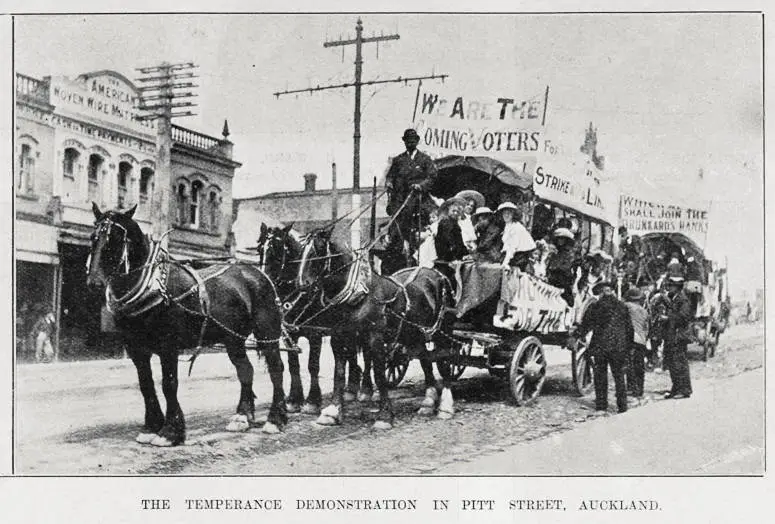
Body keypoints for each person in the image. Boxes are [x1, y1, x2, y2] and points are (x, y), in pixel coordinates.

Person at [571, 280, 633, 414]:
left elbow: (587, 325)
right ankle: (622, 406)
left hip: (600, 346)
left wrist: (575, 334)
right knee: (619, 376)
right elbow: (629, 329)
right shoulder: (622, 307)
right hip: (618, 347)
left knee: (600, 377)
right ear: (612, 292)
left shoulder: (596, 307)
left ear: (600, 293)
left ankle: (601, 405)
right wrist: (628, 347)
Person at [385, 128, 439, 259]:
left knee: (429, 214)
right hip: (401, 196)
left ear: (417, 141)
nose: (410, 143)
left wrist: (421, 185)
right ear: (404, 142)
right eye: (407, 141)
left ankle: (416, 244)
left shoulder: (425, 159)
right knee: (395, 215)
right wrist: (389, 182)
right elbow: (390, 175)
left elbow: (432, 176)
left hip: (419, 196)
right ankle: (393, 242)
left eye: (412, 141)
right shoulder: (398, 160)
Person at [662, 270, 693, 399]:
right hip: (672, 336)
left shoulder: (683, 300)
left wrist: (668, 318)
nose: (669, 288)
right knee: (672, 363)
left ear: (677, 287)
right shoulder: (673, 298)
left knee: (679, 363)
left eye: (672, 286)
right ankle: (676, 388)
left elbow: (684, 317)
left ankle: (684, 389)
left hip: (679, 336)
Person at [434, 196, 468, 288]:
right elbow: (449, 242)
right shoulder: (445, 223)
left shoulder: (455, 224)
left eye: (458, 211)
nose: (456, 213)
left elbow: (459, 244)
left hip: (454, 259)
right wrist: (453, 258)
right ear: (448, 209)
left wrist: (467, 253)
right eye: (454, 211)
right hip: (446, 260)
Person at [624, 287, 649, 400]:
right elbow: (647, 326)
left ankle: (631, 388)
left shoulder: (627, 306)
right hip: (641, 340)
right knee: (639, 365)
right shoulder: (644, 311)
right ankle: (639, 389)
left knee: (630, 364)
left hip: (630, 338)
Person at [497, 202, 536, 271]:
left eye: (509, 213)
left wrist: (505, 263)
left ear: (513, 215)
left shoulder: (516, 227)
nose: (506, 215)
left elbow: (512, 247)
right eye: (504, 213)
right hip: (515, 255)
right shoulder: (508, 225)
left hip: (521, 256)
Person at [545, 227, 579, 305]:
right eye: (559, 239)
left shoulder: (569, 254)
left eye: (562, 239)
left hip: (563, 281)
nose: (560, 241)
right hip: (552, 280)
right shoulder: (555, 253)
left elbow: (565, 267)